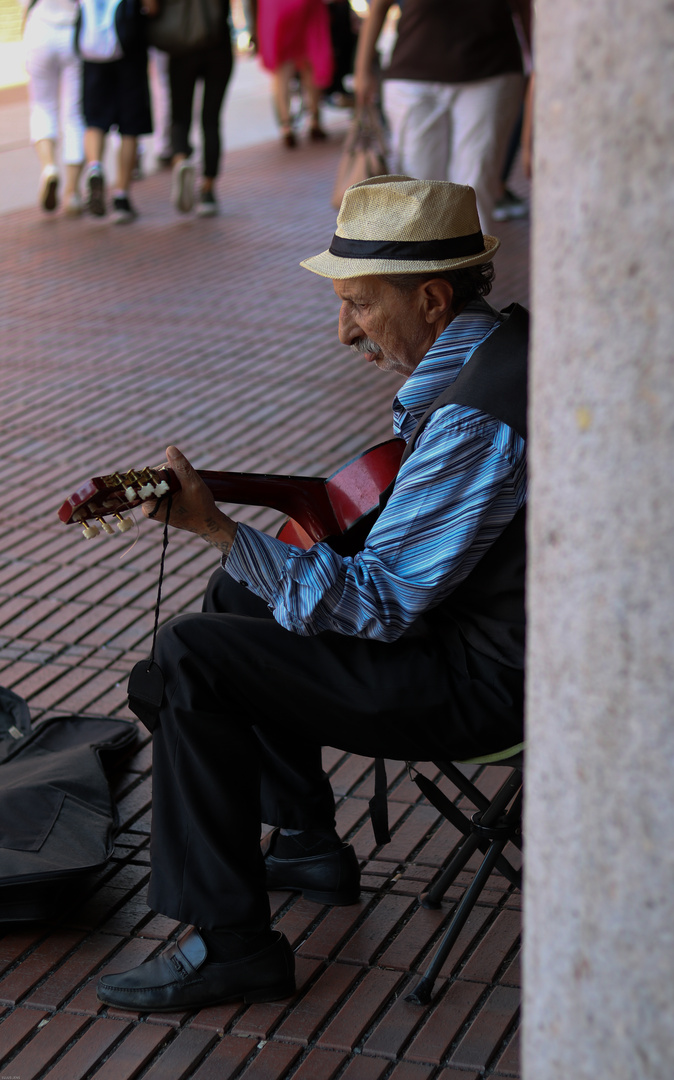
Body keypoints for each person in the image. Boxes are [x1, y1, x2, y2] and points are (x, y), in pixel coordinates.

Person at [96, 175, 528, 1012]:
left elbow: (379, 607)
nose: (344, 332)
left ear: (433, 298)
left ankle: (233, 947)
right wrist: (244, 553)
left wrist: (221, 529)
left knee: (192, 654)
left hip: (487, 683)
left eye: (360, 306)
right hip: (478, 637)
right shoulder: (497, 348)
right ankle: (304, 839)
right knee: (240, 598)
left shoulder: (476, 418)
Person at [353, 0, 531, 233]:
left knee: (475, 185)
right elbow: (378, 7)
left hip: (490, 71)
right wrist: (362, 70)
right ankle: (425, 268)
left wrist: (541, 65)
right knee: (419, 189)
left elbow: (525, 8)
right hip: (413, 76)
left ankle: (472, 268)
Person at [81, 0, 155, 223]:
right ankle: (121, 195)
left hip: (93, 50)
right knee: (130, 126)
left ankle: (94, 167)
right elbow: (151, 7)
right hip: (128, 48)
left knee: (95, 121)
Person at [167, 0, 235, 217]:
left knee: (180, 116)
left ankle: (180, 160)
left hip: (181, 42)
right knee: (211, 120)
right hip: (217, 41)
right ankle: (207, 189)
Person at [21, 0, 85, 215]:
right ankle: (72, 193)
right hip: (73, 32)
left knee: (42, 107)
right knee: (75, 115)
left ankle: (49, 167)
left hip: (39, 29)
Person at [250, 0, 333, 147]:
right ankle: (315, 120)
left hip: (276, 7)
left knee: (282, 70)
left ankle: (286, 126)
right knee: (310, 61)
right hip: (307, 5)